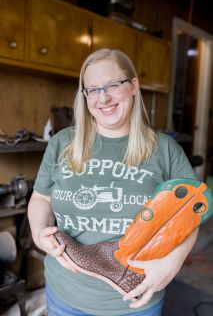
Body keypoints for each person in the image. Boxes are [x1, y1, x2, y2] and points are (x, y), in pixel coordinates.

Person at [28, 48, 198, 316]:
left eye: (112, 85)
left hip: (135, 301)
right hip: (65, 295)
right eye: (92, 89)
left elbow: (190, 215)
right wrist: (39, 233)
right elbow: (40, 199)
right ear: (84, 97)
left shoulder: (165, 150)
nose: (102, 97)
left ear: (133, 86)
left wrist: (171, 264)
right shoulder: (63, 143)